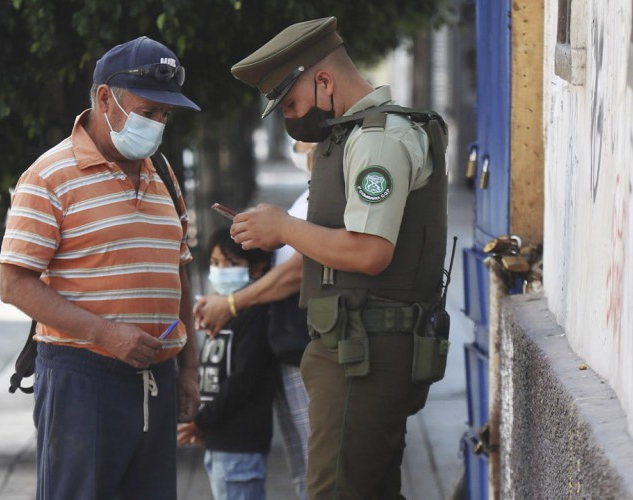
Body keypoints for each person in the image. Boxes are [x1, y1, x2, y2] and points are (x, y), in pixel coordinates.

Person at [228, 17, 449, 499]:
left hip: (365, 353)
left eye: (292, 103)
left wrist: (284, 227)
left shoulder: (378, 140)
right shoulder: (352, 136)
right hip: (354, 345)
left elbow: (371, 252)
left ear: (323, 80)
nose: (291, 118)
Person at [0, 36, 201, 499]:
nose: (157, 125)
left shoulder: (162, 174)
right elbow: (14, 284)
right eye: (148, 112)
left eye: (165, 116)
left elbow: (179, 270)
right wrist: (107, 335)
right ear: (106, 99)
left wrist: (189, 367)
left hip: (157, 378)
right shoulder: (49, 177)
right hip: (83, 381)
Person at [194, 141, 315, 500]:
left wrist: (232, 303)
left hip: (305, 348)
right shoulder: (311, 195)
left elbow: (299, 270)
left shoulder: (325, 196)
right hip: (292, 348)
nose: (296, 143)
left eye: (300, 127)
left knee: (318, 469)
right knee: (306, 470)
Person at [178, 227, 278, 500]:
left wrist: (202, 421)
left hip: (240, 442)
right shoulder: (222, 316)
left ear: (257, 269)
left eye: (230, 263)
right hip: (220, 440)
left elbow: (242, 379)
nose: (220, 270)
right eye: (214, 263)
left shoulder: (254, 316)